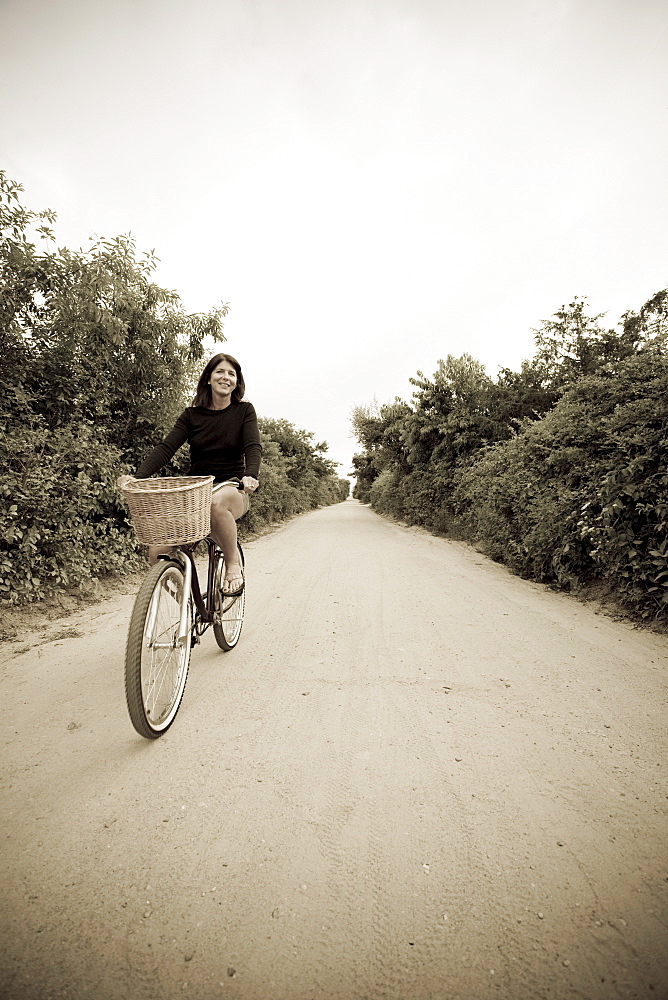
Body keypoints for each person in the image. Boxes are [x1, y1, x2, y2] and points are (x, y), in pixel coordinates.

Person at [117, 353, 260, 596]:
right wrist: (138, 477)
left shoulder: (243, 411)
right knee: (157, 552)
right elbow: (166, 448)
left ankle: (233, 564)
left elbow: (252, 447)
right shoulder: (191, 416)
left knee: (216, 504)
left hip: (233, 489)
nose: (225, 377)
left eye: (231, 374)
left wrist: (250, 475)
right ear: (208, 378)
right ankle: (187, 605)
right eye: (220, 372)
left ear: (237, 381)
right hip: (196, 493)